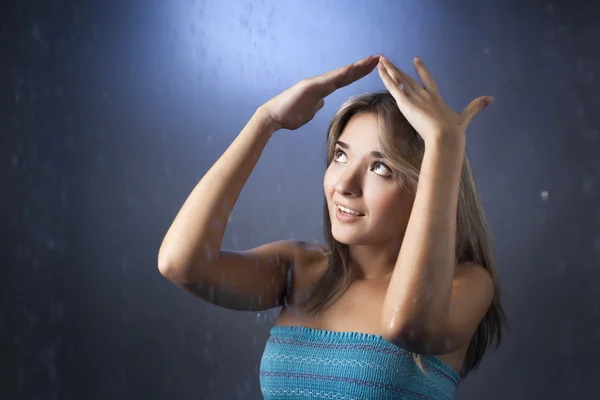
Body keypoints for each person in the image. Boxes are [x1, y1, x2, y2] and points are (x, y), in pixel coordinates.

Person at [158, 54, 508, 399]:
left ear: (427, 184)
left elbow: (407, 325)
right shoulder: (299, 269)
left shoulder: (465, 283)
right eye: (340, 155)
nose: (345, 184)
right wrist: (264, 121)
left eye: (381, 168)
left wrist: (444, 147)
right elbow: (181, 264)